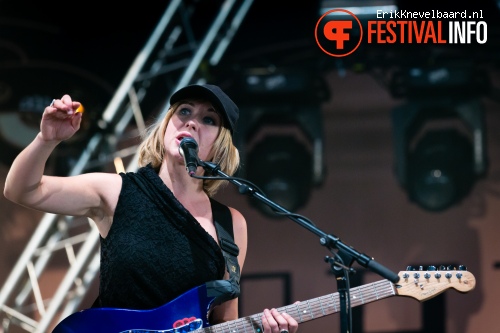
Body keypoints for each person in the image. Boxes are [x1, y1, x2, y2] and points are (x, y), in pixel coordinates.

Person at [3, 84, 299, 333]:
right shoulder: (118, 191)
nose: (192, 122)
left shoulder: (231, 224)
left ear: (220, 146)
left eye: (209, 119)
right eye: (184, 111)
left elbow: (224, 321)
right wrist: (46, 140)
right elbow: (22, 190)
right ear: (167, 125)